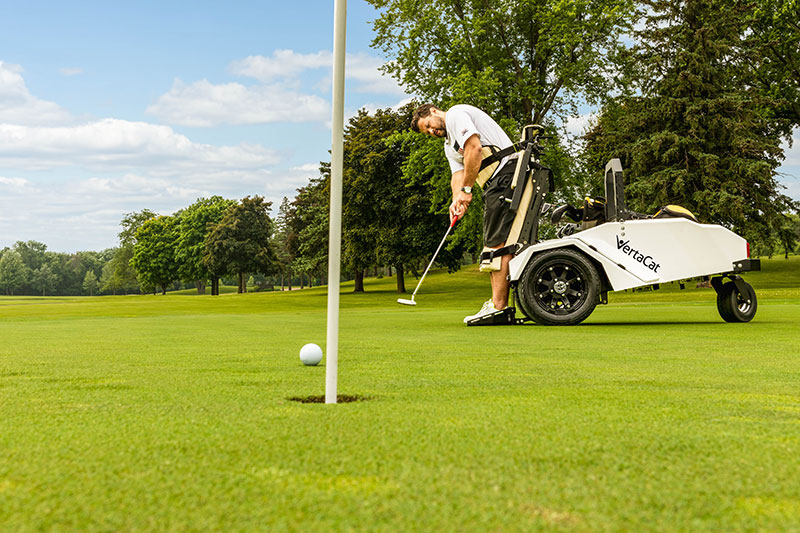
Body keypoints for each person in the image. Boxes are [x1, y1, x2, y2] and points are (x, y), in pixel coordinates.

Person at [411, 103, 518, 323]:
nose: (432, 131)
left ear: (433, 112)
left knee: (495, 241)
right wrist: (456, 201)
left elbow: (474, 149)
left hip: (507, 172)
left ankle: (498, 307)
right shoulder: (449, 145)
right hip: (495, 182)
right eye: (427, 132)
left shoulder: (455, 115)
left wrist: (467, 191)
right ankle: (500, 305)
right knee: (498, 239)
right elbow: (457, 176)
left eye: (429, 126)